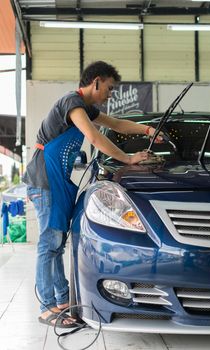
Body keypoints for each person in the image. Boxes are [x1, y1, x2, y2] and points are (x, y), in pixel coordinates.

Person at [23, 61, 161, 328]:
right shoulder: (71, 103)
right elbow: (95, 138)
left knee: (56, 243)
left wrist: (147, 130)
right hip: (45, 181)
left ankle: (63, 302)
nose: (110, 95)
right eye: (109, 88)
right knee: (49, 245)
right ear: (96, 82)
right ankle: (46, 307)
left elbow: (117, 124)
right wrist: (128, 159)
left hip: (58, 182)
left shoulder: (86, 108)